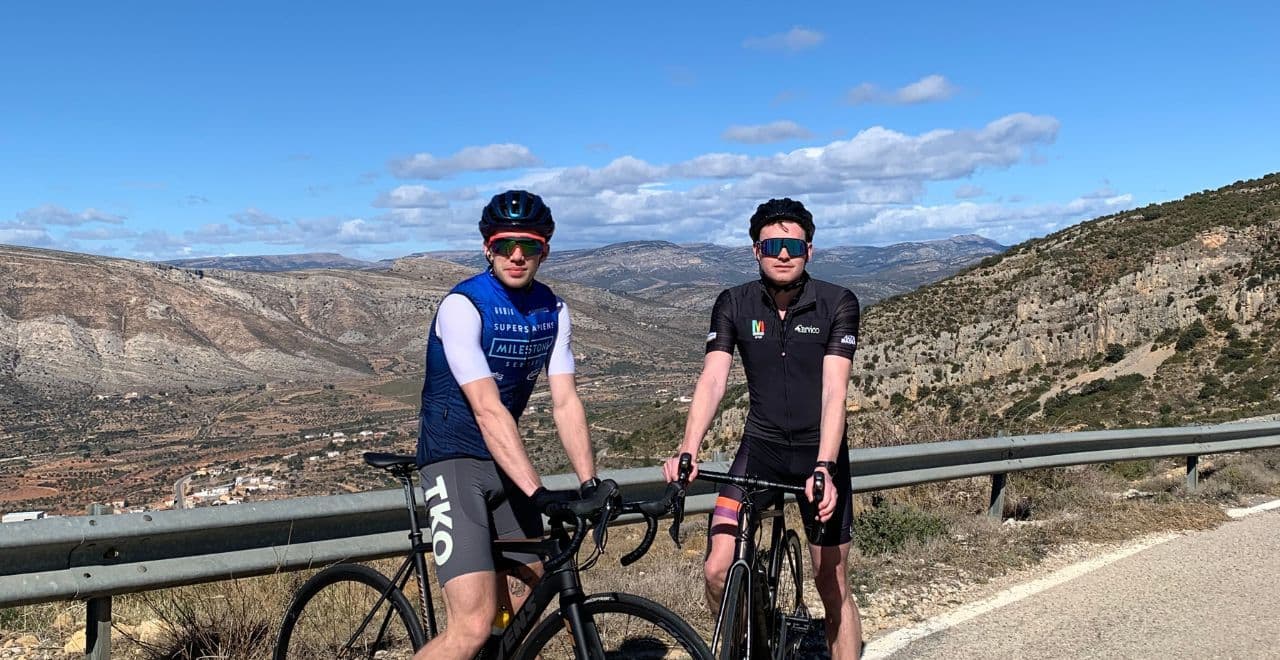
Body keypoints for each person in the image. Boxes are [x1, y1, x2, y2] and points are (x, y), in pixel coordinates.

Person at [663, 197, 864, 658]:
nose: (783, 253)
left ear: (809, 251)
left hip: (820, 454)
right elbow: (713, 378)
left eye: (793, 245)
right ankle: (746, 639)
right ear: (756, 250)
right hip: (760, 451)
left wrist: (825, 467)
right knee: (717, 569)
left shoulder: (837, 303)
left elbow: (836, 392)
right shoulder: (733, 303)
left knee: (831, 584)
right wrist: (687, 448)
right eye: (771, 244)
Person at [414, 190, 598, 660]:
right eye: (505, 245)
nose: (517, 256)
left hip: (504, 462)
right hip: (453, 461)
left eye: (530, 246)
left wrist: (589, 480)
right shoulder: (464, 306)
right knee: (472, 627)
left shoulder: (553, 310)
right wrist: (539, 492)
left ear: (545, 250)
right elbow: (487, 409)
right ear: (487, 248)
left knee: (527, 601)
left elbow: (565, 400)